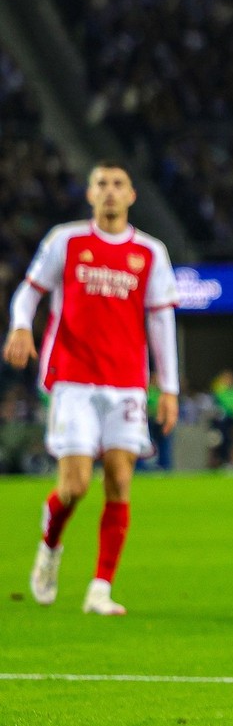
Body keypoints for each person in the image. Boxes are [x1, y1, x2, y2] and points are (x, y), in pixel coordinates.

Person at [3, 161, 179, 615]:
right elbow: (29, 290)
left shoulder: (151, 253)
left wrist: (171, 387)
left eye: (118, 184)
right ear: (90, 194)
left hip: (126, 384)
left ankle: (100, 588)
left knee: (120, 480)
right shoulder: (67, 240)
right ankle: (50, 545)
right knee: (76, 486)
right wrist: (21, 326)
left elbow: (161, 320)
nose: (110, 192)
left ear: (132, 195)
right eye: (101, 184)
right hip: (73, 379)